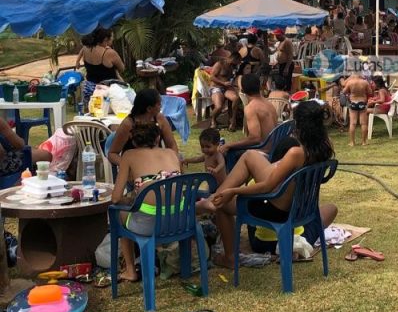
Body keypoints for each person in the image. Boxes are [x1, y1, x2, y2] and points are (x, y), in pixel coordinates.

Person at [201, 100, 338, 269]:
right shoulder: (323, 147)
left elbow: (267, 186)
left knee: (222, 203)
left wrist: (233, 190)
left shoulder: (296, 153)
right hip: (301, 208)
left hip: (276, 210)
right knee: (250, 156)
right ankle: (213, 198)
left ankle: (228, 254)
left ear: (300, 124)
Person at [110, 123, 183, 282]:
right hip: (181, 221)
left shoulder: (129, 155)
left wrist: (129, 199)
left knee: (117, 213)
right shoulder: (172, 153)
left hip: (149, 226)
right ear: (158, 138)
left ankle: (130, 269)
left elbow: (115, 198)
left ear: (134, 141)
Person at [107, 88, 178, 166]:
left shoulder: (159, 118)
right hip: (136, 166)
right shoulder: (128, 124)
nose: (161, 106)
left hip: (157, 164)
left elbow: (172, 145)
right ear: (149, 109)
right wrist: (128, 166)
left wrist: (173, 161)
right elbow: (112, 154)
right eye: (159, 104)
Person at [75, 27, 126, 111]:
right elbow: (122, 68)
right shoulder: (109, 53)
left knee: (93, 119)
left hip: (89, 90)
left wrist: (77, 61)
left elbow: (81, 50)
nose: (113, 39)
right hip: (106, 93)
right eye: (112, 37)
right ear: (106, 39)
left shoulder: (86, 48)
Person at [227, 72, 279, 150]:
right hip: (275, 149)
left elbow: (255, 138)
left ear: (242, 90)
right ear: (260, 87)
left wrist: (229, 145)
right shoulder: (268, 103)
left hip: (263, 151)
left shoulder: (251, 108)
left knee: (227, 153)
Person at [209, 50, 241, 129]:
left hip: (226, 88)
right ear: (233, 58)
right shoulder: (220, 64)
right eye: (238, 61)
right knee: (219, 106)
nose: (238, 63)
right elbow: (211, 77)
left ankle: (232, 120)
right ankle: (213, 119)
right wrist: (223, 83)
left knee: (236, 98)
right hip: (216, 87)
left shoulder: (232, 67)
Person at [342, 72, 372, 147]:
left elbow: (344, 92)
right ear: (360, 74)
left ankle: (352, 142)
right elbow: (370, 92)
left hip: (353, 103)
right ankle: (364, 142)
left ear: (353, 75)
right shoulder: (364, 82)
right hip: (362, 102)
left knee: (353, 123)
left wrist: (350, 92)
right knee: (363, 123)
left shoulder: (350, 82)